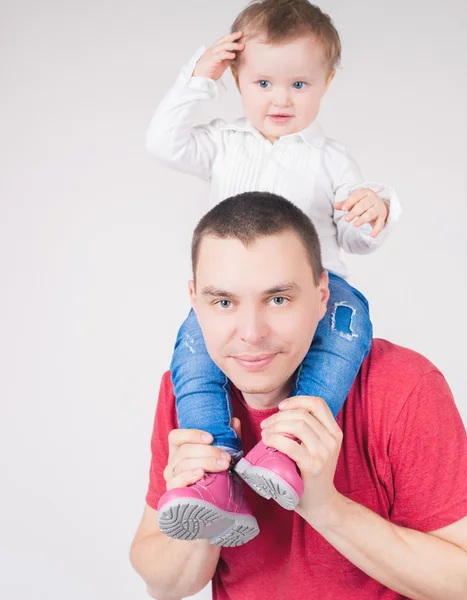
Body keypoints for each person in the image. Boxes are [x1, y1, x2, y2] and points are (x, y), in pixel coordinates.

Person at [130, 192, 467, 600]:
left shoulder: (402, 386)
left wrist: (324, 506)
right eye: (224, 302)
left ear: (323, 295)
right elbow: (161, 586)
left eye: (279, 299)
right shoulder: (186, 394)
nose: (251, 333)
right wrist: (206, 520)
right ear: (194, 302)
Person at [145, 0, 402, 539]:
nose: (280, 99)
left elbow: (353, 238)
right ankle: (212, 476)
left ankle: (285, 451)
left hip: (319, 289)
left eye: (299, 85)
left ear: (326, 83)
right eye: (262, 82)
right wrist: (198, 78)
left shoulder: (331, 158)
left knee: (346, 336)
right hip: (237, 293)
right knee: (192, 362)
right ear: (237, 76)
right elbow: (162, 143)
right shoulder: (221, 142)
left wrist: (371, 212)